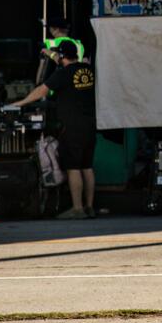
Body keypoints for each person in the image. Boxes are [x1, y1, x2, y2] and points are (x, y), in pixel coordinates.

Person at [10, 41, 96, 219]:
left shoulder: (63, 74)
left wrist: (19, 103)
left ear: (64, 57)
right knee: (87, 166)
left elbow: (41, 91)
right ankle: (89, 207)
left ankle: (77, 209)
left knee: (73, 167)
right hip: (90, 125)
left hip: (72, 126)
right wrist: (48, 52)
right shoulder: (87, 70)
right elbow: (60, 58)